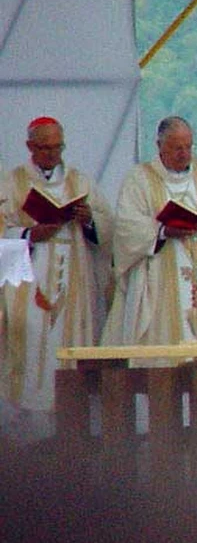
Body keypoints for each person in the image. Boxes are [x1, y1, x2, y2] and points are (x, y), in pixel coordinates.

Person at [0, 117, 112, 431]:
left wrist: (90, 220)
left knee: (70, 347)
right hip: (29, 284)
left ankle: (71, 428)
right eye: (45, 147)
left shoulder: (81, 182)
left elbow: (110, 229)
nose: (52, 154)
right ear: (29, 146)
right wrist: (29, 234)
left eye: (57, 147)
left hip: (74, 283)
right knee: (32, 348)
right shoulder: (10, 184)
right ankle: (26, 432)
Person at [103, 116, 197, 345]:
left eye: (188, 147)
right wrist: (162, 231)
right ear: (160, 146)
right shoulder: (139, 179)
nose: (184, 153)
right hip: (162, 274)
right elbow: (127, 228)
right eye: (177, 147)